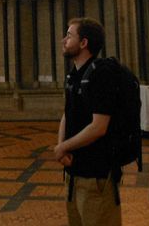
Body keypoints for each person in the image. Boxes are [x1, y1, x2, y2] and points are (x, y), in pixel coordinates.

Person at [53, 17, 121, 226]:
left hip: (96, 176)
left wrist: (63, 147)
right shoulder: (74, 75)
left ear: (84, 43)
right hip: (74, 175)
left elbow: (99, 127)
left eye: (70, 35)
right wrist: (61, 148)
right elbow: (68, 113)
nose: (64, 40)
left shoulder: (101, 74)